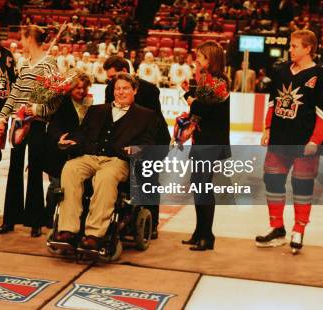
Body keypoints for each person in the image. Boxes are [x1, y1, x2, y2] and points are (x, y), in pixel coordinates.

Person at [53, 73, 158, 250]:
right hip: (91, 157)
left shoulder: (146, 115)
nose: (121, 92)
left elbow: (147, 145)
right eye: (118, 88)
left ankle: (94, 234)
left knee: (105, 177)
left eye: (125, 88)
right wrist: (71, 141)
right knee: (70, 168)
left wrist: (134, 150)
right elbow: (82, 134)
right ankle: (68, 230)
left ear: (135, 90)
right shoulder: (96, 110)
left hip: (118, 161)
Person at [256, 29, 323, 253]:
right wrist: (268, 127)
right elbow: (273, 103)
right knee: (272, 180)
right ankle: (276, 227)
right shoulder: (281, 70)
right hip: (280, 139)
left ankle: (299, 230)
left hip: (305, 143)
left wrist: (315, 140)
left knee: (302, 186)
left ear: (308, 48)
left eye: (294, 46)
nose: (289, 49)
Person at [0, 25, 61, 237]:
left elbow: (56, 97)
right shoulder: (23, 64)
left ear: (30, 39)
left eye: (23, 38)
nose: (22, 43)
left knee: (34, 169)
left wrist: (40, 109)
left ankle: (35, 220)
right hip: (18, 122)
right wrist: (3, 114)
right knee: (15, 168)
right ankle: (11, 219)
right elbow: (14, 93)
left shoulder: (49, 63)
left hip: (37, 123)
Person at [104, 55, 171, 238]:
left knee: (148, 178)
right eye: (109, 79)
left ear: (124, 72)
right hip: (127, 140)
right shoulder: (110, 89)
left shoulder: (149, 90)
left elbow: (154, 122)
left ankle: (152, 224)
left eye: (112, 77)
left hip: (155, 140)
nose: (111, 83)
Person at [181, 41, 231, 251]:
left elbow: (208, 111)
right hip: (202, 141)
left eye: (200, 57)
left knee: (203, 187)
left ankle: (207, 236)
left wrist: (189, 98)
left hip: (211, 142)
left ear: (210, 59)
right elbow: (201, 109)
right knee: (198, 186)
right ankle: (199, 232)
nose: (197, 60)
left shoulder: (219, 82)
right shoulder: (205, 81)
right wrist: (189, 95)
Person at [45, 71, 93, 226]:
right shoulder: (62, 102)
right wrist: (60, 137)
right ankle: (49, 216)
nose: (81, 91)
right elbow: (53, 125)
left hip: (78, 151)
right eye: (77, 88)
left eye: (83, 88)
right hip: (60, 150)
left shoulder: (88, 103)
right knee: (57, 185)